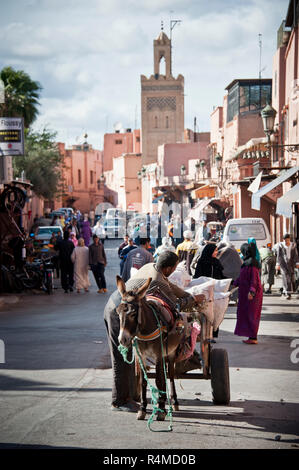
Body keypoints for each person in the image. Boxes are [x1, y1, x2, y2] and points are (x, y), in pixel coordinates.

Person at [103, 250, 205, 412]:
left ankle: (129, 396)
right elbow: (175, 305)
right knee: (121, 355)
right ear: (168, 269)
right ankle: (119, 401)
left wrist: (188, 295)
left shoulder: (152, 267)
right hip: (120, 309)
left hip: (119, 303)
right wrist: (192, 300)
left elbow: (173, 288)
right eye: (174, 268)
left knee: (128, 355)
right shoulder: (158, 282)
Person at [193, 242, 225, 340]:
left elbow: (221, 276)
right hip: (204, 292)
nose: (216, 252)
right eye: (215, 250)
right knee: (204, 313)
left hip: (215, 291)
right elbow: (197, 277)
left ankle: (213, 335)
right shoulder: (201, 262)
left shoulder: (217, 262)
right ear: (209, 251)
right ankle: (202, 334)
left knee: (214, 312)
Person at [233, 242, 263, 344]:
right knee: (246, 314)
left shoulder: (253, 264)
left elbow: (254, 280)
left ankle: (253, 338)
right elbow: (242, 278)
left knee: (252, 315)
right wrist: (233, 283)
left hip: (252, 295)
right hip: (245, 294)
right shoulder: (246, 263)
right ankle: (251, 337)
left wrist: (252, 292)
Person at [275, 233, 299, 299]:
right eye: (285, 240)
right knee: (285, 276)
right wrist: (277, 264)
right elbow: (279, 255)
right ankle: (287, 293)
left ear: (289, 239)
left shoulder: (293, 245)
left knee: (291, 277)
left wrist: (297, 263)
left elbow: (296, 255)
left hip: (291, 263)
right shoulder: (281, 245)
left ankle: (289, 291)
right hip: (283, 264)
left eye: (288, 240)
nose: (286, 241)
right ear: (284, 240)